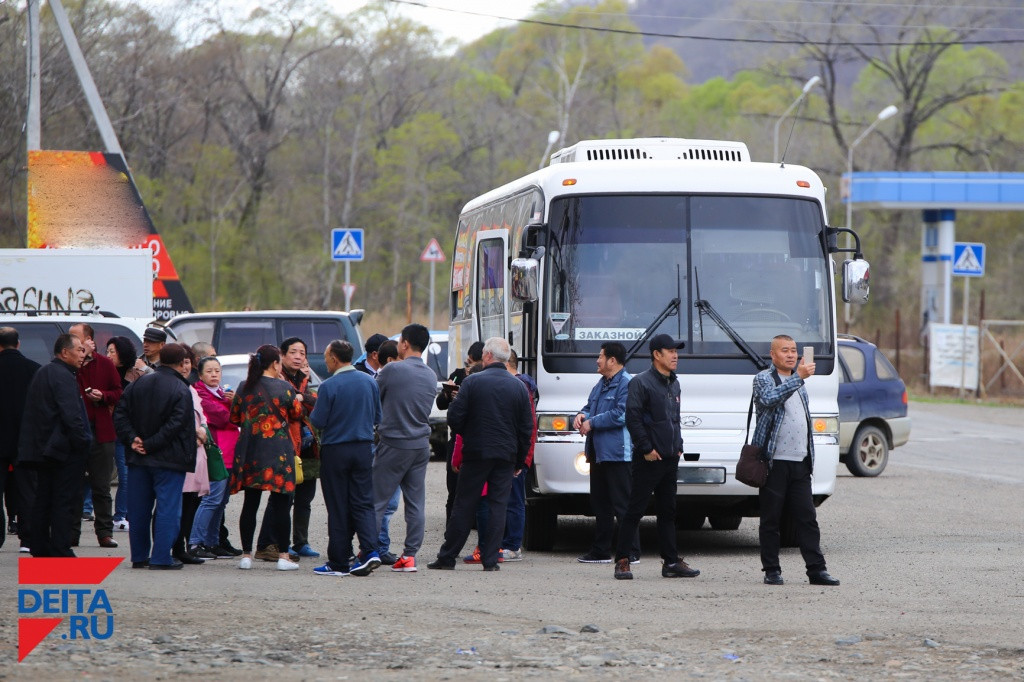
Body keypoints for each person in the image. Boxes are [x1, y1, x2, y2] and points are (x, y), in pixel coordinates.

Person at [428, 337, 533, 572]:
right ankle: (490, 560)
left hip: (476, 452)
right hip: (506, 455)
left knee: (464, 504)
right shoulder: (518, 386)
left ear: (487, 356)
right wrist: (519, 460)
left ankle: (447, 557)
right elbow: (526, 428)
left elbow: (455, 419)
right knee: (498, 506)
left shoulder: (473, 382)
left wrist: (470, 433)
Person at [753, 335, 840, 587]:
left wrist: (797, 379)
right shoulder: (763, 379)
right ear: (773, 354)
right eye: (785, 351)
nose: (791, 355)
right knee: (771, 519)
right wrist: (797, 377)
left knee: (807, 518)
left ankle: (816, 570)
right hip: (774, 462)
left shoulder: (798, 382)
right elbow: (769, 400)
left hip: (800, 462)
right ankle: (772, 570)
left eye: (794, 351)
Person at [614, 334, 700, 580]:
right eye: (670, 351)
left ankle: (671, 562)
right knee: (635, 510)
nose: (675, 356)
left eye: (676, 351)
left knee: (668, 511)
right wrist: (646, 449)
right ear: (656, 354)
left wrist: (679, 444)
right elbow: (633, 418)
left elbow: (675, 418)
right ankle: (622, 560)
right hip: (649, 458)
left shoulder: (674, 382)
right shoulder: (640, 383)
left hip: (671, 457)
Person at [114, 343, 197, 569]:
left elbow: (120, 413)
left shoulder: (138, 383)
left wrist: (133, 439)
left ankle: (139, 557)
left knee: (138, 509)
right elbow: (176, 424)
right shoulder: (181, 389)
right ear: (181, 363)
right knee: (168, 509)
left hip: (138, 458)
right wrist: (150, 444)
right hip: (169, 459)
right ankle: (161, 557)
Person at [309, 340, 382, 577]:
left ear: (333, 358)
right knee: (363, 501)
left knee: (338, 505)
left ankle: (339, 561)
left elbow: (318, 421)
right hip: (363, 447)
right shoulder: (369, 381)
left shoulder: (329, 386)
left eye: (326, 355)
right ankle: (371, 551)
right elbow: (377, 415)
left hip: (336, 449)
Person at [229, 344, 303, 571]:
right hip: (279, 452)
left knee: (250, 503)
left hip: (251, 450)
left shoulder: (243, 387)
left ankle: (245, 555)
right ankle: (283, 556)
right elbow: (296, 414)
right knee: (281, 504)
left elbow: (234, 417)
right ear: (275, 364)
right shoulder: (284, 387)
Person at [372, 323, 439, 573]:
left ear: (404, 343)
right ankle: (409, 556)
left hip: (393, 443)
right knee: (415, 503)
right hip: (421, 445)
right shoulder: (430, 375)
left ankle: (368, 551)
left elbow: (374, 398)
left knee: (377, 501)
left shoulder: (391, 370)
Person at [18, 334, 91, 557]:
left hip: (44, 449)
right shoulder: (61, 375)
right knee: (62, 499)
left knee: (44, 498)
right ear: (64, 352)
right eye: (79, 350)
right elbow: (71, 416)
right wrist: (83, 442)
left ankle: (39, 545)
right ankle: (61, 547)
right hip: (61, 451)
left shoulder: (46, 372)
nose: (83, 354)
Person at [573, 341, 640, 564]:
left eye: (600, 356)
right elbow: (589, 406)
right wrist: (581, 415)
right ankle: (600, 551)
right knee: (600, 504)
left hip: (618, 454)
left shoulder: (628, 383)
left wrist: (591, 423)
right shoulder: (601, 384)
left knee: (623, 504)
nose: (597, 360)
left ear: (612, 360)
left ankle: (631, 552)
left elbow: (622, 414)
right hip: (598, 453)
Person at [254, 337, 320, 561]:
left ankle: (301, 542)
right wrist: (302, 397)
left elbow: (315, 402)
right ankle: (271, 543)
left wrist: (304, 394)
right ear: (281, 356)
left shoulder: (303, 379)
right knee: (282, 498)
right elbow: (295, 408)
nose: (299, 357)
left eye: (302, 353)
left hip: (308, 447)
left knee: (305, 499)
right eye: (293, 352)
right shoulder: (278, 381)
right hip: (286, 446)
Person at [67, 323, 123, 550]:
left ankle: (104, 533)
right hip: (76, 431)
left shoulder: (105, 363)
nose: (72, 341)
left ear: (88, 339)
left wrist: (104, 396)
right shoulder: (71, 365)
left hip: (101, 429)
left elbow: (118, 392)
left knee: (101, 485)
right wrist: (83, 357)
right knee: (73, 484)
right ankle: (71, 533)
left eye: (76, 337)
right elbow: (69, 385)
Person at [190, 356, 239, 559]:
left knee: (221, 501)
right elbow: (224, 418)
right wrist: (235, 406)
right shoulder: (200, 393)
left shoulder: (222, 393)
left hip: (229, 454)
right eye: (209, 371)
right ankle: (195, 542)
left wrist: (233, 402)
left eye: (217, 371)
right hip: (215, 454)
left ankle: (213, 541)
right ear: (200, 374)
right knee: (211, 499)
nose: (214, 375)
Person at [0, 328, 41, 552]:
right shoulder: (34, 370)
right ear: (18, 344)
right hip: (26, 442)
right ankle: (28, 538)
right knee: (27, 490)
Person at [436, 340, 484, 523]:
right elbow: (440, 404)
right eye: (466, 363)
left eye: (471, 363)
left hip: (476, 438)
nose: (467, 367)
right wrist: (449, 394)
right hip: (456, 438)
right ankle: (451, 529)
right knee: (453, 489)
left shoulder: (483, 377)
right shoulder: (457, 375)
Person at [497, 348, 537, 563]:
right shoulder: (520, 385)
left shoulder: (520, 387)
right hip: (512, 453)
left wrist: (523, 458)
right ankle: (504, 542)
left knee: (514, 501)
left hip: (516, 456)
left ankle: (512, 545)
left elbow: (528, 426)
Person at [106, 336, 145, 532]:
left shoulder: (135, 374)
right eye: (107, 351)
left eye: (112, 351)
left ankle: (121, 515)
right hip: (107, 430)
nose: (109, 355)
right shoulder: (105, 373)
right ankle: (117, 515)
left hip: (127, 431)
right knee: (100, 476)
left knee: (127, 475)